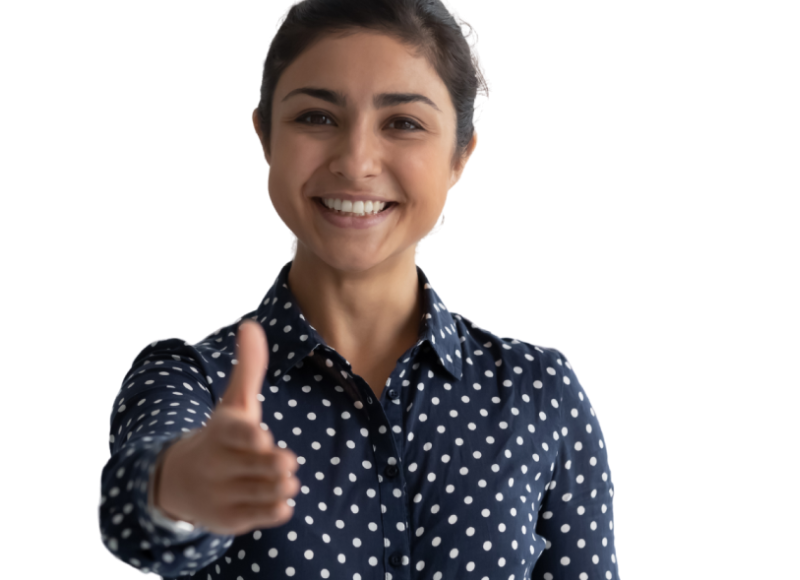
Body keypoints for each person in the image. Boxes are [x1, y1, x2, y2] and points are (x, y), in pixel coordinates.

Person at [98, 1, 619, 579]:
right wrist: (181, 491)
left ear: (460, 158)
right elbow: (130, 515)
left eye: (403, 123)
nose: (356, 161)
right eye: (317, 117)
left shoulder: (538, 390)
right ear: (264, 138)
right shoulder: (191, 377)